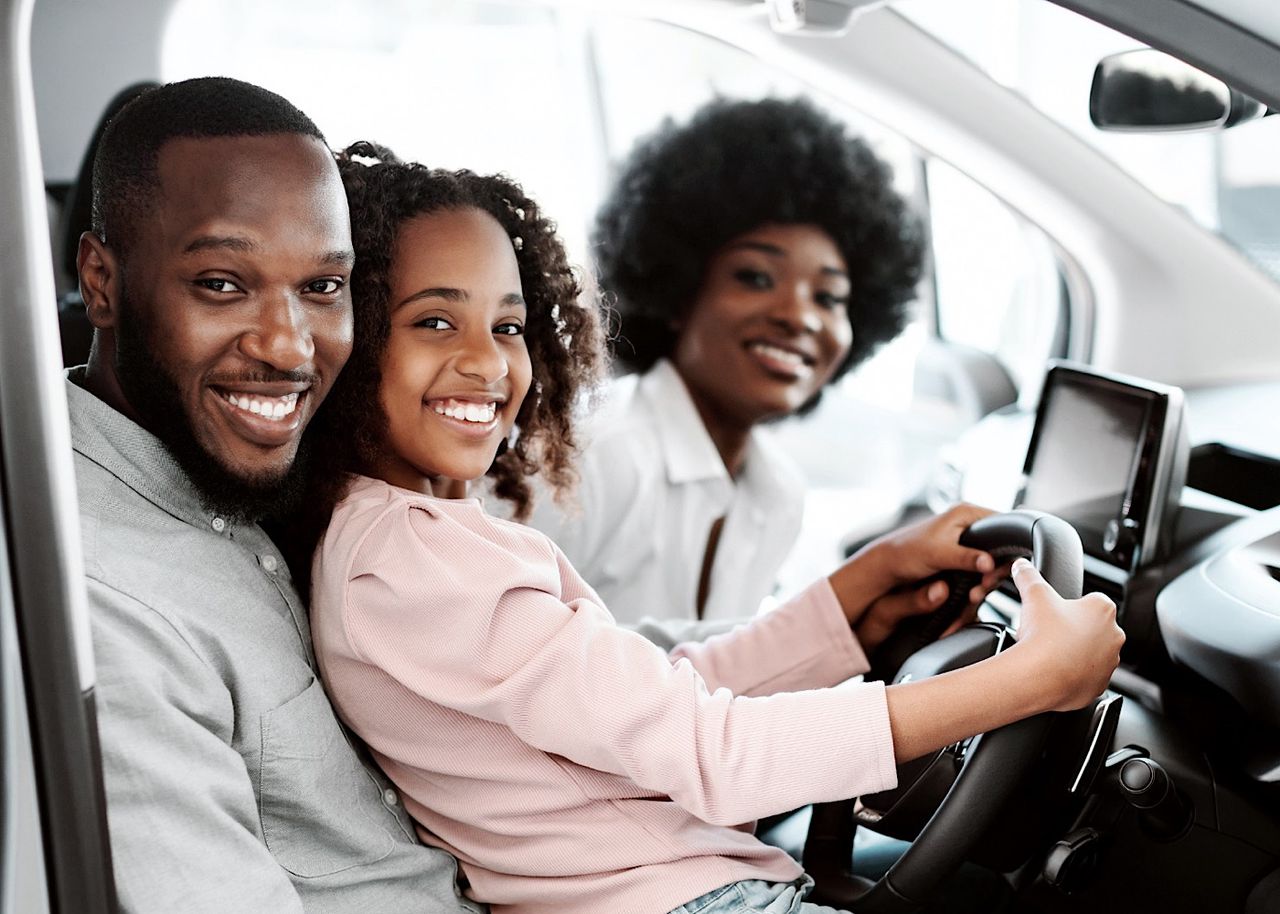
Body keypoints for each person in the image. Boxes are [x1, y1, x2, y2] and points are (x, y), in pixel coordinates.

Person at [307, 147, 1125, 914]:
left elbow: (662, 699)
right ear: (352, 331)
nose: (489, 363)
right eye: (435, 323)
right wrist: (1032, 680)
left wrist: (852, 604)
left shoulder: (427, 532)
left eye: (510, 327)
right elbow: (712, 752)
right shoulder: (416, 555)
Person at [71, 77, 486, 913]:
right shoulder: (103, 599)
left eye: (322, 288)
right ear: (102, 280)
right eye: (223, 284)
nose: (288, 347)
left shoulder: (260, 479)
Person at [524, 97, 927, 627]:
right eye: (756, 278)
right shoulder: (591, 455)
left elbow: (712, 681)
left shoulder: (778, 492)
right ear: (678, 293)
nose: (799, 317)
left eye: (828, 298)